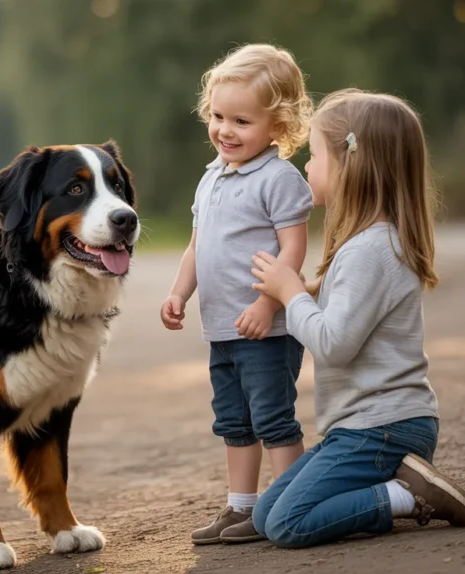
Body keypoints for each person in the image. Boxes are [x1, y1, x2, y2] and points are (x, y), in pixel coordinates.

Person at [248, 88, 465, 549]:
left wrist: (291, 293)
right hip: (364, 429)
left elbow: (334, 344)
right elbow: (355, 308)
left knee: (287, 524)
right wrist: (311, 290)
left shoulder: (370, 251)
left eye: (315, 155)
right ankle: (391, 490)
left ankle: (407, 496)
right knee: (264, 515)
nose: (307, 167)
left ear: (350, 163)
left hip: (381, 430)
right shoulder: (371, 245)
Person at [160, 43, 315, 544]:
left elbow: (294, 248)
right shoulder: (210, 178)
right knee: (233, 422)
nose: (225, 130)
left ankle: (287, 503)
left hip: (266, 330)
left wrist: (268, 303)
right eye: (218, 117)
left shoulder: (279, 178)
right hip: (222, 328)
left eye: (242, 122)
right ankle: (241, 507)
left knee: (273, 418)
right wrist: (179, 294)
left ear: (278, 125)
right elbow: (197, 248)